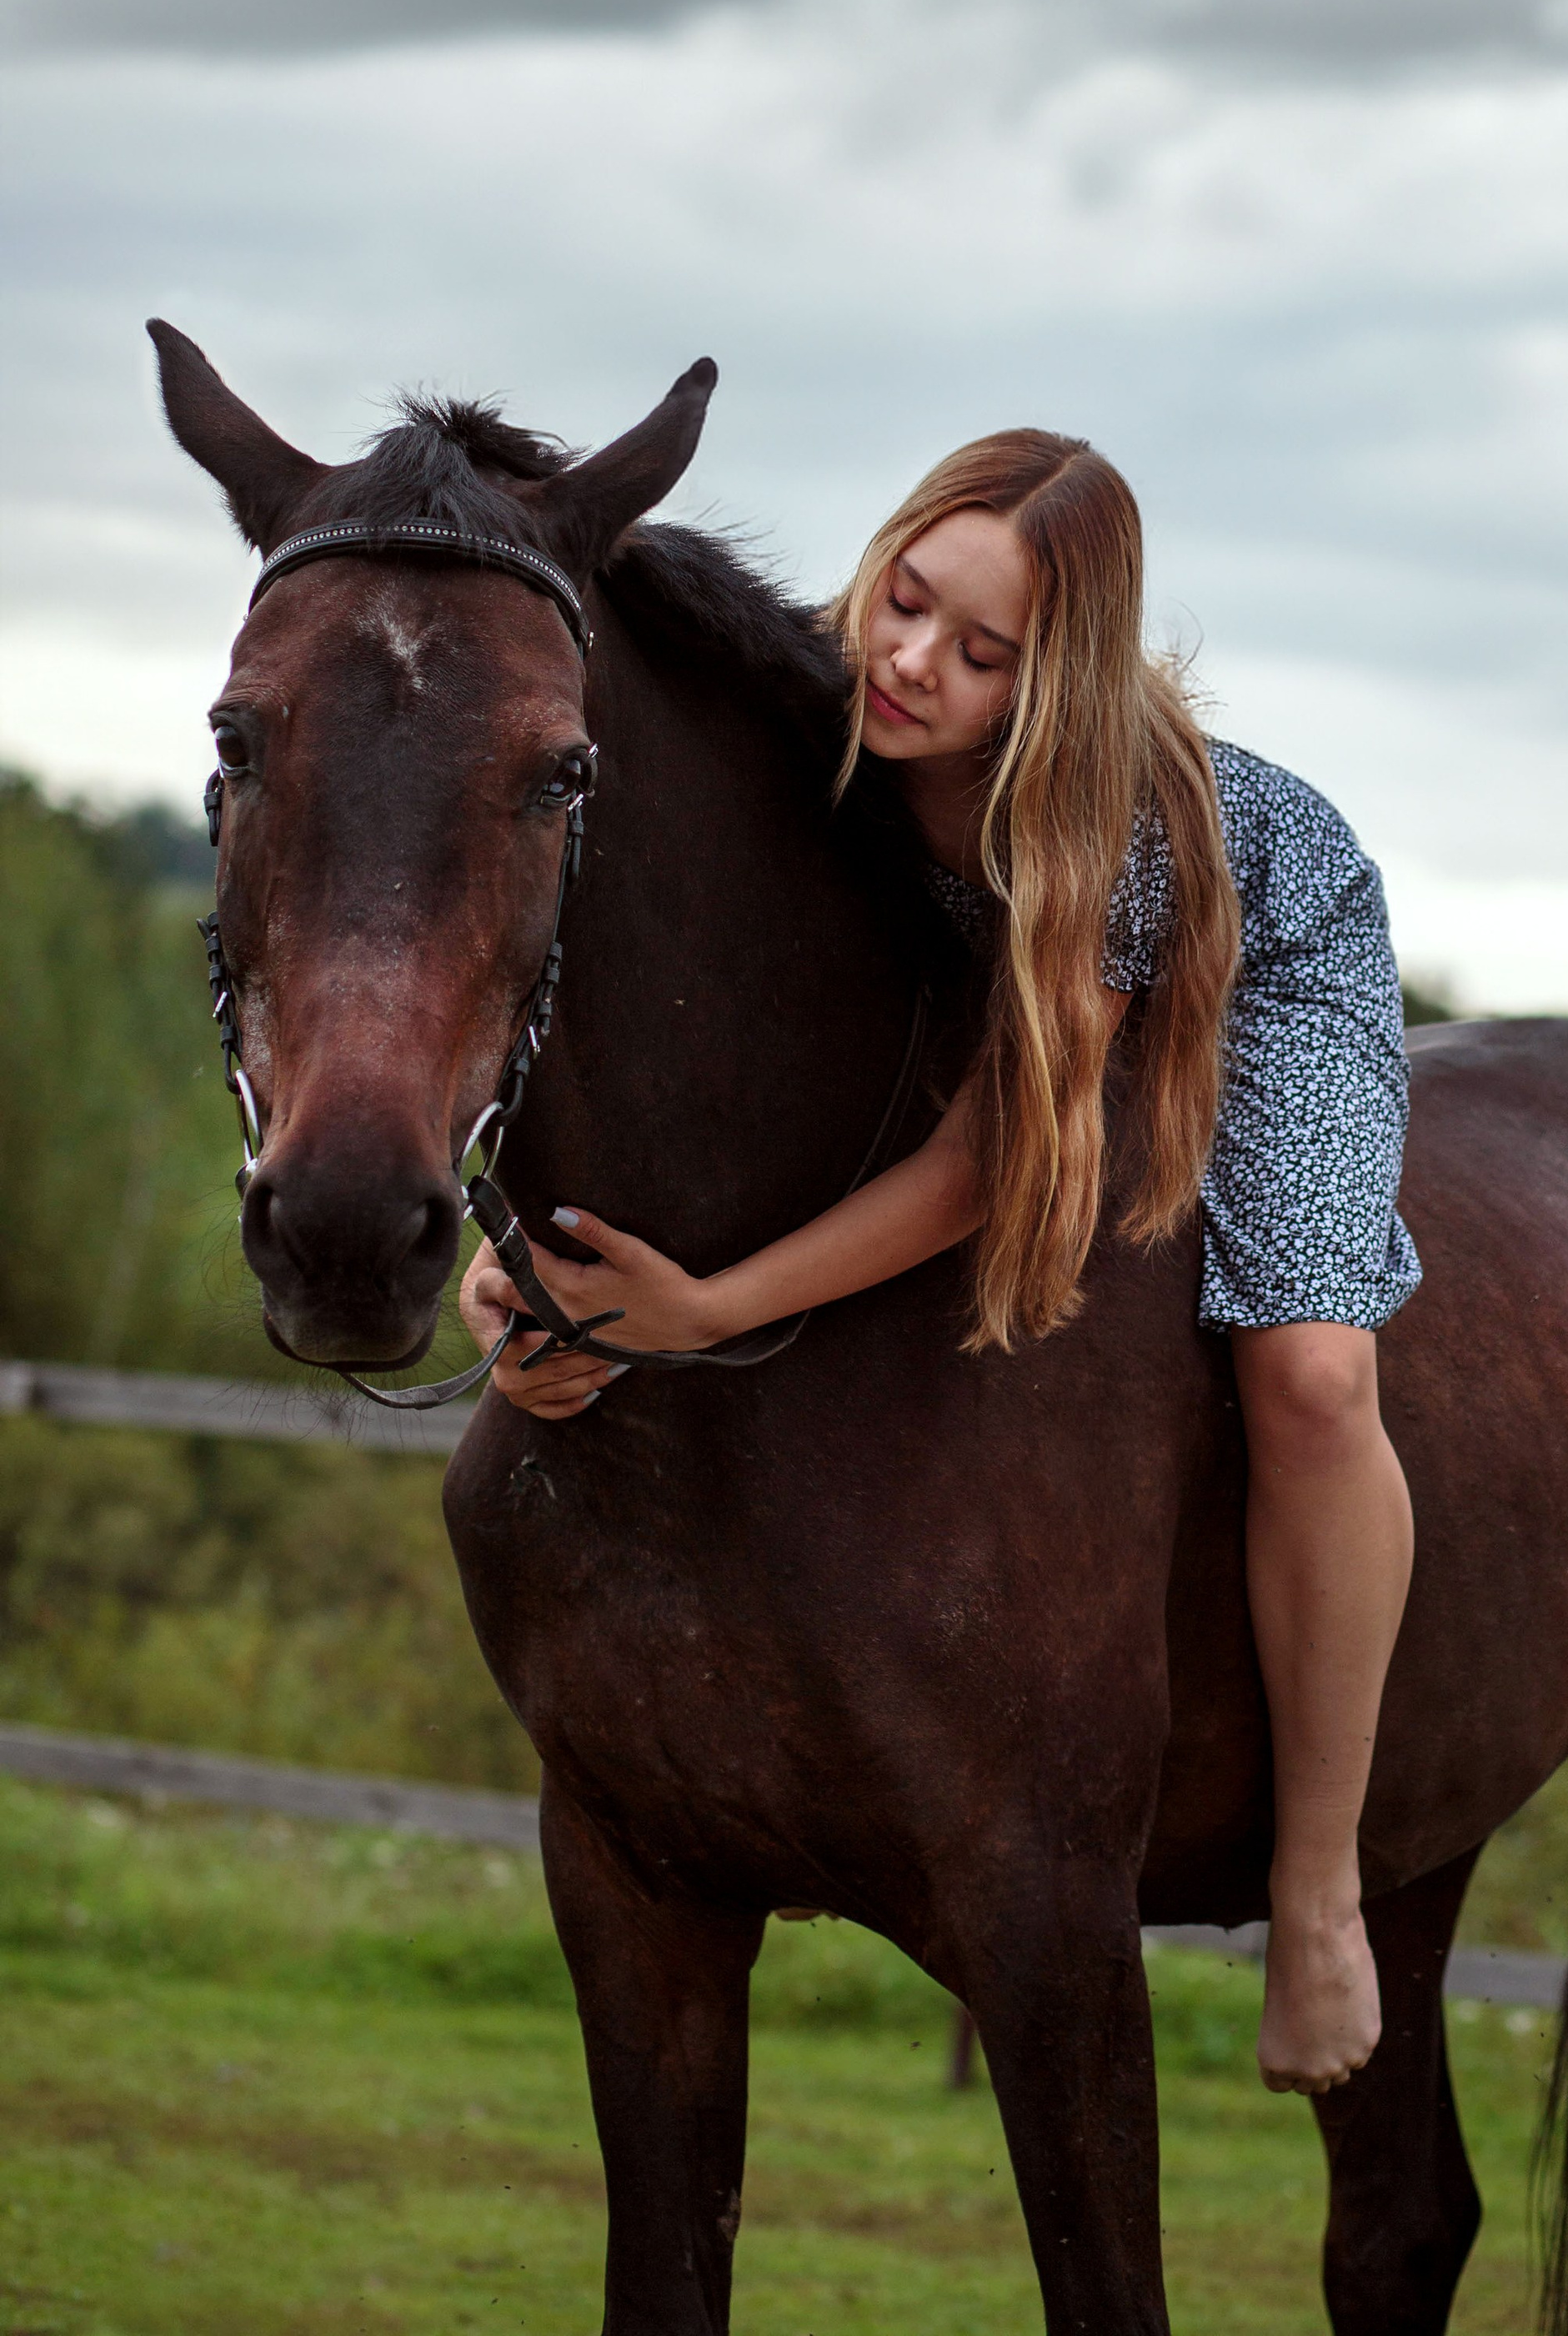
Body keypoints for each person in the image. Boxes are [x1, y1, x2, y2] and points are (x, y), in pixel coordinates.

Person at [460, 432, 1419, 2094]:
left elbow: (996, 1154)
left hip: (1262, 946)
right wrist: (519, 1270)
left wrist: (708, 1311)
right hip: (995, 966)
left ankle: (1321, 1889)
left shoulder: (1098, 816)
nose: (913, 663)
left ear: (1053, 684)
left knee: (1310, 1369)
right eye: (907, 602)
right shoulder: (810, 720)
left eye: (983, 656)